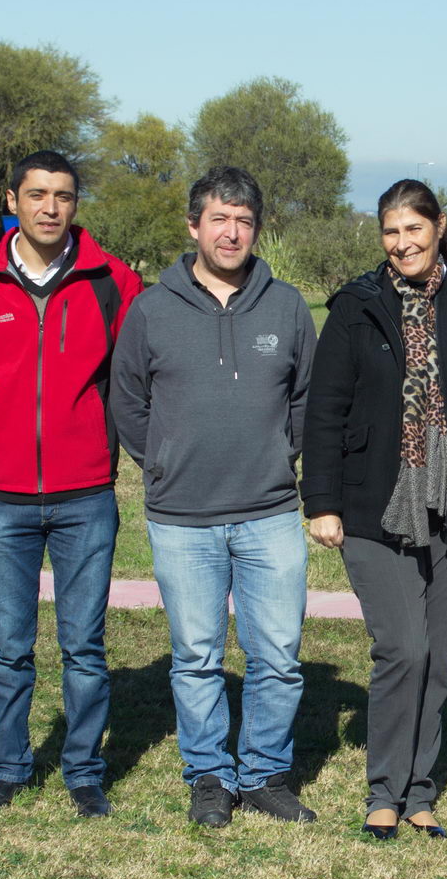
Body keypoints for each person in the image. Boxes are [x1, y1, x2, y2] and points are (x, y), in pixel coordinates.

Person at [300, 179, 447, 840]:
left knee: (436, 654)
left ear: (439, 227)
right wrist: (322, 500)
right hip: (373, 505)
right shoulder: (356, 306)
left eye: (413, 229)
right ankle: (382, 789)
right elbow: (324, 411)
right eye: (390, 231)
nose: (402, 243)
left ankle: (419, 789)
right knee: (401, 646)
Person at [109, 166, 318, 829]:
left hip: (269, 512)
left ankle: (262, 773)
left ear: (257, 230)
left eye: (244, 221)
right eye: (219, 219)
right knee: (197, 657)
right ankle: (208, 774)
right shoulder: (151, 309)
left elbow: (306, 398)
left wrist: (279, 454)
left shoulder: (285, 306)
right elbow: (129, 401)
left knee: (278, 655)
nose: (232, 232)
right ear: (194, 225)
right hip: (183, 519)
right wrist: (165, 460)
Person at [0, 149, 143, 817]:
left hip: (85, 492)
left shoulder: (113, 280)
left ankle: (84, 770)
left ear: (75, 203)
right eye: (36, 194)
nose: (49, 207)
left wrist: (84, 430)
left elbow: (129, 374)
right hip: (1, 498)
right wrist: (3, 427)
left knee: (83, 645)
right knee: (8, 645)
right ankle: (8, 768)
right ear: (12, 200)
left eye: (62, 195)